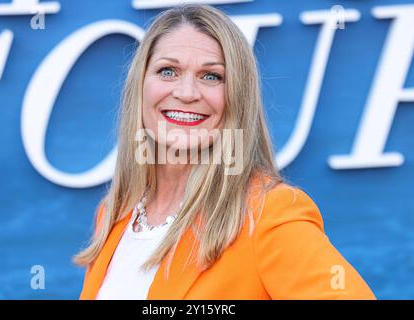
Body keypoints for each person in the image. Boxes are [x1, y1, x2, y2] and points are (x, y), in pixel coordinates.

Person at [74, 4, 376, 300]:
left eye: (211, 76)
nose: (186, 93)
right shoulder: (115, 213)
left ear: (237, 98)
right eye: (168, 71)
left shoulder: (268, 212)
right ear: (140, 85)